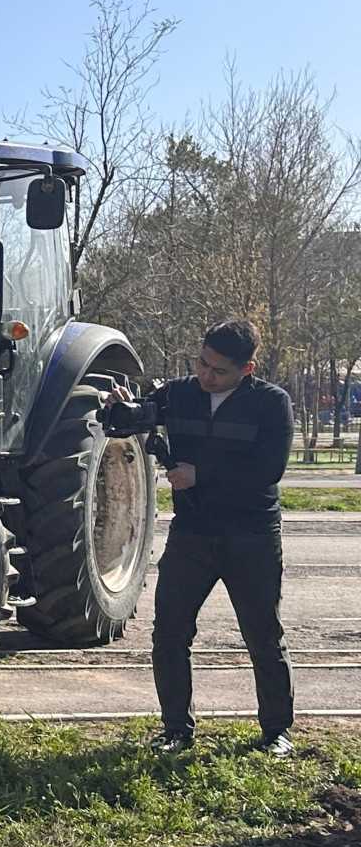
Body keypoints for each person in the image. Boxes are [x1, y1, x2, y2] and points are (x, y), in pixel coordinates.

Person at [111, 320, 296, 758]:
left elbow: (268, 470)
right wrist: (121, 406)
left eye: (219, 371)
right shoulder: (179, 392)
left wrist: (201, 475)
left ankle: (276, 732)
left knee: (263, 637)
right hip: (191, 535)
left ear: (247, 368)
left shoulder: (272, 403)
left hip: (251, 535)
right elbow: (134, 417)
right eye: (201, 362)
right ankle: (176, 729)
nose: (206, 376)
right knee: (170, 635)